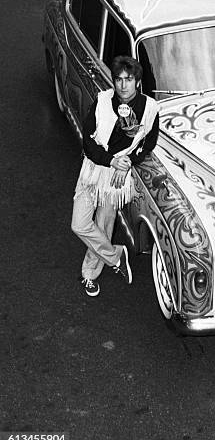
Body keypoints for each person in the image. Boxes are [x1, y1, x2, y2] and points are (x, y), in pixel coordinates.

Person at [71, 56, 159, 297]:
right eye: (119, 80)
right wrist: (111, 160)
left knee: (104, 224)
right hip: (94, 170)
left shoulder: (150, 108)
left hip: (118, 178)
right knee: (79, 224)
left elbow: (149, 142)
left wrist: (128, 162)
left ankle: (89, 274)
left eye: (128, 80)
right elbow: (88, 143)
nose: (123, 85)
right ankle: (115, 255)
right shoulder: (101, 102)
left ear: (137, 82)